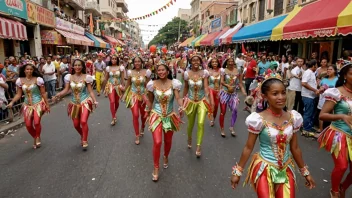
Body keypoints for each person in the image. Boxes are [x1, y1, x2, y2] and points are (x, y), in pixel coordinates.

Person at [231, 73, 316, 197]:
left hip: (286, 168)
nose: (280, 97)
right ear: (265, 96)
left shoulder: (293, 117)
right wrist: (238, 172)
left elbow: (295, 148)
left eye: (283, 92)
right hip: (264, 168)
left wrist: (305, 172)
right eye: (275, 94)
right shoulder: (258, 119)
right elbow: (248, 147)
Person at [318, 62, 352, 198]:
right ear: (345, 75)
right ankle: (335, 191)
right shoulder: (336, 92)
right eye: (351, 73)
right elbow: (322, 115)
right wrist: (342, 116)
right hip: (340, 134)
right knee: (342, 166)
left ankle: (342, 187)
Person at [145, 64, 183, 182]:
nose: (161, 72)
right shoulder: (152, 84)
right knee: (157, 141)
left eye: (163, 70)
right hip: (156, 115)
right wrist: (147, 111)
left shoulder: (174, 83)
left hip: (169, 116)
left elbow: (177, 98)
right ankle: (156, 167)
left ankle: (166, 156)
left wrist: (182, 106)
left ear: (167, 71)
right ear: (156, 72)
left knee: (167, 141)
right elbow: (151, 100)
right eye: (159, 70)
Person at [53, 59, 98, 150]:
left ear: (82, 67)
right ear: (73, 67)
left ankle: (85, 140)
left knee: (83, 121)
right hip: (74, 103)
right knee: (76, 125)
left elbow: (90, 91)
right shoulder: (69, 77)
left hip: (85, 102)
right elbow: (66, 90)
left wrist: (94, 100)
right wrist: (58, 94)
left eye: (79, 65)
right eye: (75, 65)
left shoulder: (87, 77)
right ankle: (82, 134)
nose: (77, 67)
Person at [7, 62, 50, 149]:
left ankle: (37, 137)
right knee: (28, 125)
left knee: (37, 122)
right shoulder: (20, 80)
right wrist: (12, 102)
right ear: (24, 70)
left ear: (33, 70)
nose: (29, 71)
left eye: (31, 69)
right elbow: (18, 94)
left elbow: (43, 93)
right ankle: (35, 136)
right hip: (27, 105)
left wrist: (47, 104)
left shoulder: (38, 79)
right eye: (27, 69)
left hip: (38, 103)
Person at [183, 55, 213, 157]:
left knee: (200, 123)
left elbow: (205, 87)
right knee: (190, 124)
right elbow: (186, 87)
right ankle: (189, 138)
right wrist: (183, 101)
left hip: (201, 101)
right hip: (190, 101)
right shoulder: (187, 74)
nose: (196, 62)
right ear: (191, 62)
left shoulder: (204, 73)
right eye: (193, 60)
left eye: (198, 60)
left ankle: (199, 145)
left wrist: (208, 98)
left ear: (200, 62)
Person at [123, 56, 151, 145]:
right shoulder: (130, 72)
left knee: (143, 116)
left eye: (139, 61)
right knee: (135, 115)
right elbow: (128, 84)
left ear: (141, 62)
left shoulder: (146, 72)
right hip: (133, 96)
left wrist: (150, 98)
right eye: (135, 62)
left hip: (143, 97)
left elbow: (149, 85)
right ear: (133, 63)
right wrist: (123, 92)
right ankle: (137, 135)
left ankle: (142, 127)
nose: (137, 63)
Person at [219, 57, 246, 137]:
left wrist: (243, 90)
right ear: (227, 63)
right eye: (229, 61)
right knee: (223, 111)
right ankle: (222, 129)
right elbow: (222, 81)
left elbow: (240, 83)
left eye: (232, 61)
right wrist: (227, 86)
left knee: (235, 110)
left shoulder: (238, 71)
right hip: (224, 93)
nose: (230, 63)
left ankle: (231, 127)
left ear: (234, 63)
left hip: (233, 94)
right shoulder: (223, 71)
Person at [103, 55, 125, 125]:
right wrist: (103, 88)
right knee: (112, 101)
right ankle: (113, 117)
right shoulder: (108, 68)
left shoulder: (120, 68)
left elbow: (122, 79)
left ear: (117, 60)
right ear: (110, 60)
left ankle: (114, 113)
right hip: (110, 86)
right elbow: (106, 78)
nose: (114, 60)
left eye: (115, 59)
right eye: (112, 59)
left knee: (117, 103)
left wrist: (123, 87)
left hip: (118, 86)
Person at [301, 60, 319, 136]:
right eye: (316, 65)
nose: (317, 67)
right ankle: (305, 129)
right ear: (313, 66)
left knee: (311, 113)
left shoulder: (312, 73)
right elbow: (304, 83)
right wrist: (315, 90)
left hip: (311, 96)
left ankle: (308, 127)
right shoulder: (308, 72)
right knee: (308, 113)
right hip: (308, 96)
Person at [208, 58, 221, 127]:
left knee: (216, 106)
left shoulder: (221, 71)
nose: (214, 63)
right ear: (211, 63)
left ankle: (213, 118)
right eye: (213, 62)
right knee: (212, 105)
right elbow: (206, 83)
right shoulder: (208, 71)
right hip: (211, 90)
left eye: (216, 62)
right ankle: (211, 119)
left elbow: (222, 82)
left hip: (218, 90)